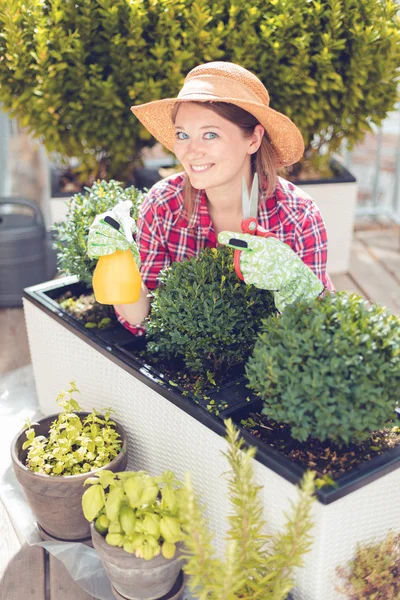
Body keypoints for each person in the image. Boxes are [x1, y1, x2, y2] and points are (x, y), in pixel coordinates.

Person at [115, 61, 333, 332]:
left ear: (253, 140)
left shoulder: (298, 215)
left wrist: (294, 284)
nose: (191, 151)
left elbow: (315, 333)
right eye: (183, 134)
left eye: (210, 135)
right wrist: (117, 258)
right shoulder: (163, 205)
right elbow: (143, 322)